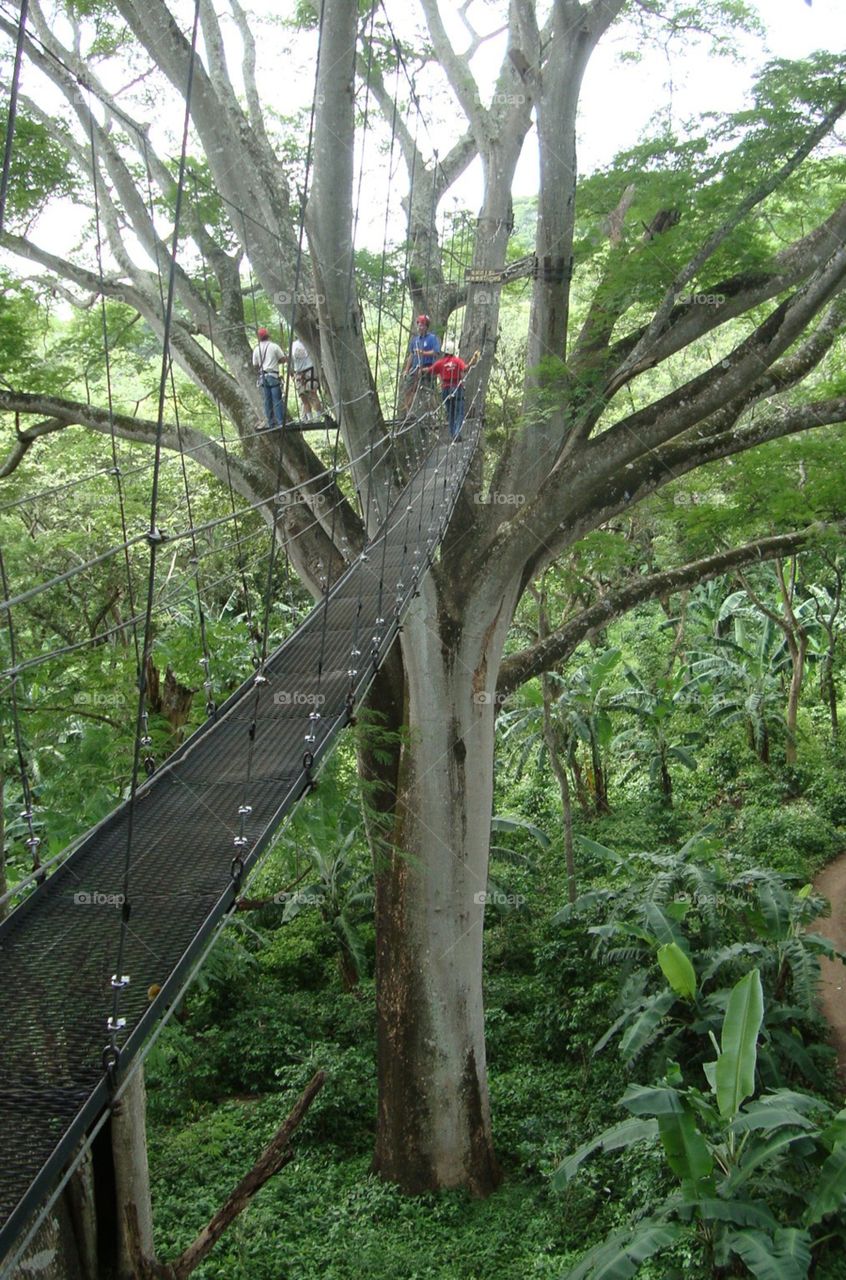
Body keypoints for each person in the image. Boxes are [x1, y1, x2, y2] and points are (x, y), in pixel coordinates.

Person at [430, 349, 473, 441]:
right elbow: (465, 368)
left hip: (446, 389)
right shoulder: (457, 360)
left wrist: (421, 369)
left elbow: (430, 370)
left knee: (451, 414)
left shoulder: (440, 363)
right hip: (457, 388)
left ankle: (453, 434)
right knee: (459, 412)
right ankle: (457, 433)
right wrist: (471, 363)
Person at [401, 314, 441, 415]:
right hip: (415, 368)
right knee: (408, 389)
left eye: (422, 325)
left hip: (428, 368)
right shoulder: (415, 340)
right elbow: (411, 355)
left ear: (426, 327)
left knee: (429, 391)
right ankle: (409, 412)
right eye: (418, 325)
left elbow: (436, 352)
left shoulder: (432, 338)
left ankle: (433, 412)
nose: (420, 327)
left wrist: (423, 353)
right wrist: (406, 369)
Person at [252, 326, 287, 429]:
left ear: (259, 337)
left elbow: (255, 364)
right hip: (273, 375)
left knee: (267, 401)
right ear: (268, 336)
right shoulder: (274, 346)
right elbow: (283, 359)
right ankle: (280, 422)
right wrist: (277, 360)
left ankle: (271, 423)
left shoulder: (256, 349)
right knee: (277, 399)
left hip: (263, 377)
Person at [291, 336, 323, 422]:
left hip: (309, 370)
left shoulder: (308, 342)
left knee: (312, 394)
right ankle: (309, 418)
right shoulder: (293, 345)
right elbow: (291, 360)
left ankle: (319, 416)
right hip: (299, 372)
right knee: (303, 397)